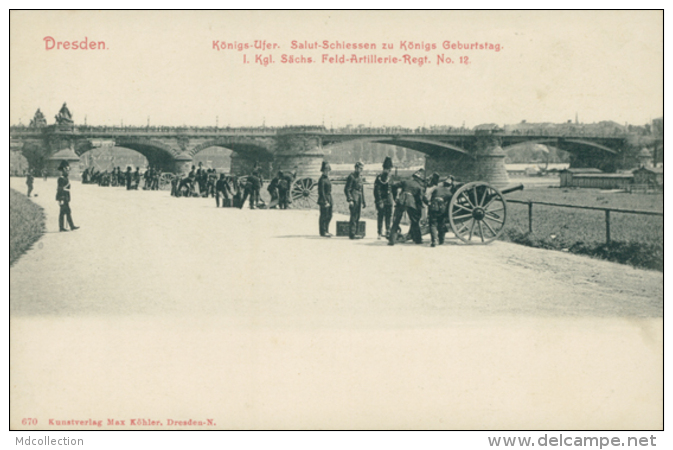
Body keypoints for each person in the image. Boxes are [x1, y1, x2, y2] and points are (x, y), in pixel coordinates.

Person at [388, 169, 427, 246]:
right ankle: (418, 240)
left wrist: (395, 196)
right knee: (415, 221)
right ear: (419, 179)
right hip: (411, 203)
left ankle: (391, 240)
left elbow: (394, 186)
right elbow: (420, 199)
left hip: (401, 201)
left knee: (396, 221)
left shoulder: (405, 181)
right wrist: (421, 206)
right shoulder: (419, 186)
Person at [428, 176, 454, 247]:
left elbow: (431, 197)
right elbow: (451, 203)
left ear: (443, 184)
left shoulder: (437, 189)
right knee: (441, 223)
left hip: (433, 207)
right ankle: (441, 240)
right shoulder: (449, 193)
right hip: (442, 208)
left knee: (433, 224)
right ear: (450, 186)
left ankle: (434, 241)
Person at [344, 161, 366, 239]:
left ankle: (355, 232)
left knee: (358, 216)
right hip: (354, 199)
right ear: (356, 168)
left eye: (362, 169)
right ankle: (352, 234)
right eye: (360, 168)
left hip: (359, 199)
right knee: (353, 216)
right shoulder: (351, 177)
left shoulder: (360, 177)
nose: (361, 170)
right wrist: (350, 200)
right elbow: (347, 189)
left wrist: (363, 201)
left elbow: (362, 190)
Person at [374, 157, 394, 239]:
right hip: (382, 200)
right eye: (387, 169)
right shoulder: (379, 178)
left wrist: (395, 199)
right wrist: (379, 201)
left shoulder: (391, 178)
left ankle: (388, 231)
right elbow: (376, 191)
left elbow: (393, 189)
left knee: (389, 216)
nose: (388, 171)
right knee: (380, 216)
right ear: (383, 169)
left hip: (389, 200)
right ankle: (379, 232)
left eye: (389, 169)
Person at [56, 161, 79, 232]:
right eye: (66, 170)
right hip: (63, 197)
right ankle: (63, 227)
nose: (68, 172)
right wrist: (61, 199)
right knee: (64, 212)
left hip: (66, 197)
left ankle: (70, 226)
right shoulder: (61, 178)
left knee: (67, 211)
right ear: (63, 170)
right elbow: (60, 189)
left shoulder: (65, 178)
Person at [317, 161, 333, 237]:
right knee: (324, 215)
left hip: (329, 198)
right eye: (326, 170)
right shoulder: (321, 179)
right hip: (324, 199)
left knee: (329, 215)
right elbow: (321, 192)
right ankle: (322, 232)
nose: (327, 172)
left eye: (328, 170)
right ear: (323, 170)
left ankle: (326, 230)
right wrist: (325, 201)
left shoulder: (327, 179)